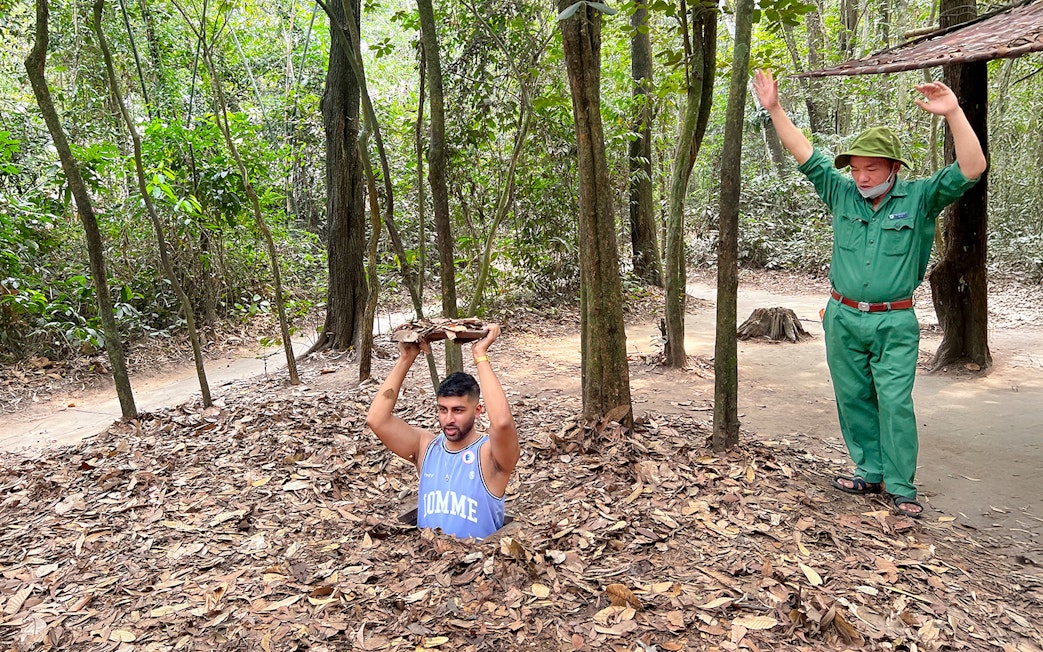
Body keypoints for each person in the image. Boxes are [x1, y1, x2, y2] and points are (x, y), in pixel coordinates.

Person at [752, 69, 987, 518]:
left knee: (895, 402)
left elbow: (972, 168)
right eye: (856, 169)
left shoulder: (920, 198)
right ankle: (870, 470)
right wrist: (774, 108)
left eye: (871, 168)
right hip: (842, 316)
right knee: (853, 395)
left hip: (893, 320)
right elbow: (806, 154)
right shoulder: (841, 194)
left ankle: (901, 485)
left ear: (894, 169)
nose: (860, 177)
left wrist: (954, 112)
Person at [366, 324, 519, 539]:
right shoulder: (426, 447)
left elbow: (502, 423)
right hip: (426, 566)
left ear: (477, 411)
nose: (448, 419)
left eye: (458, 410)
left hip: (475, 567)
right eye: (442, 410)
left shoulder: (489, 454)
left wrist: (480, 355)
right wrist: (406, 359)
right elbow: (376, 420)